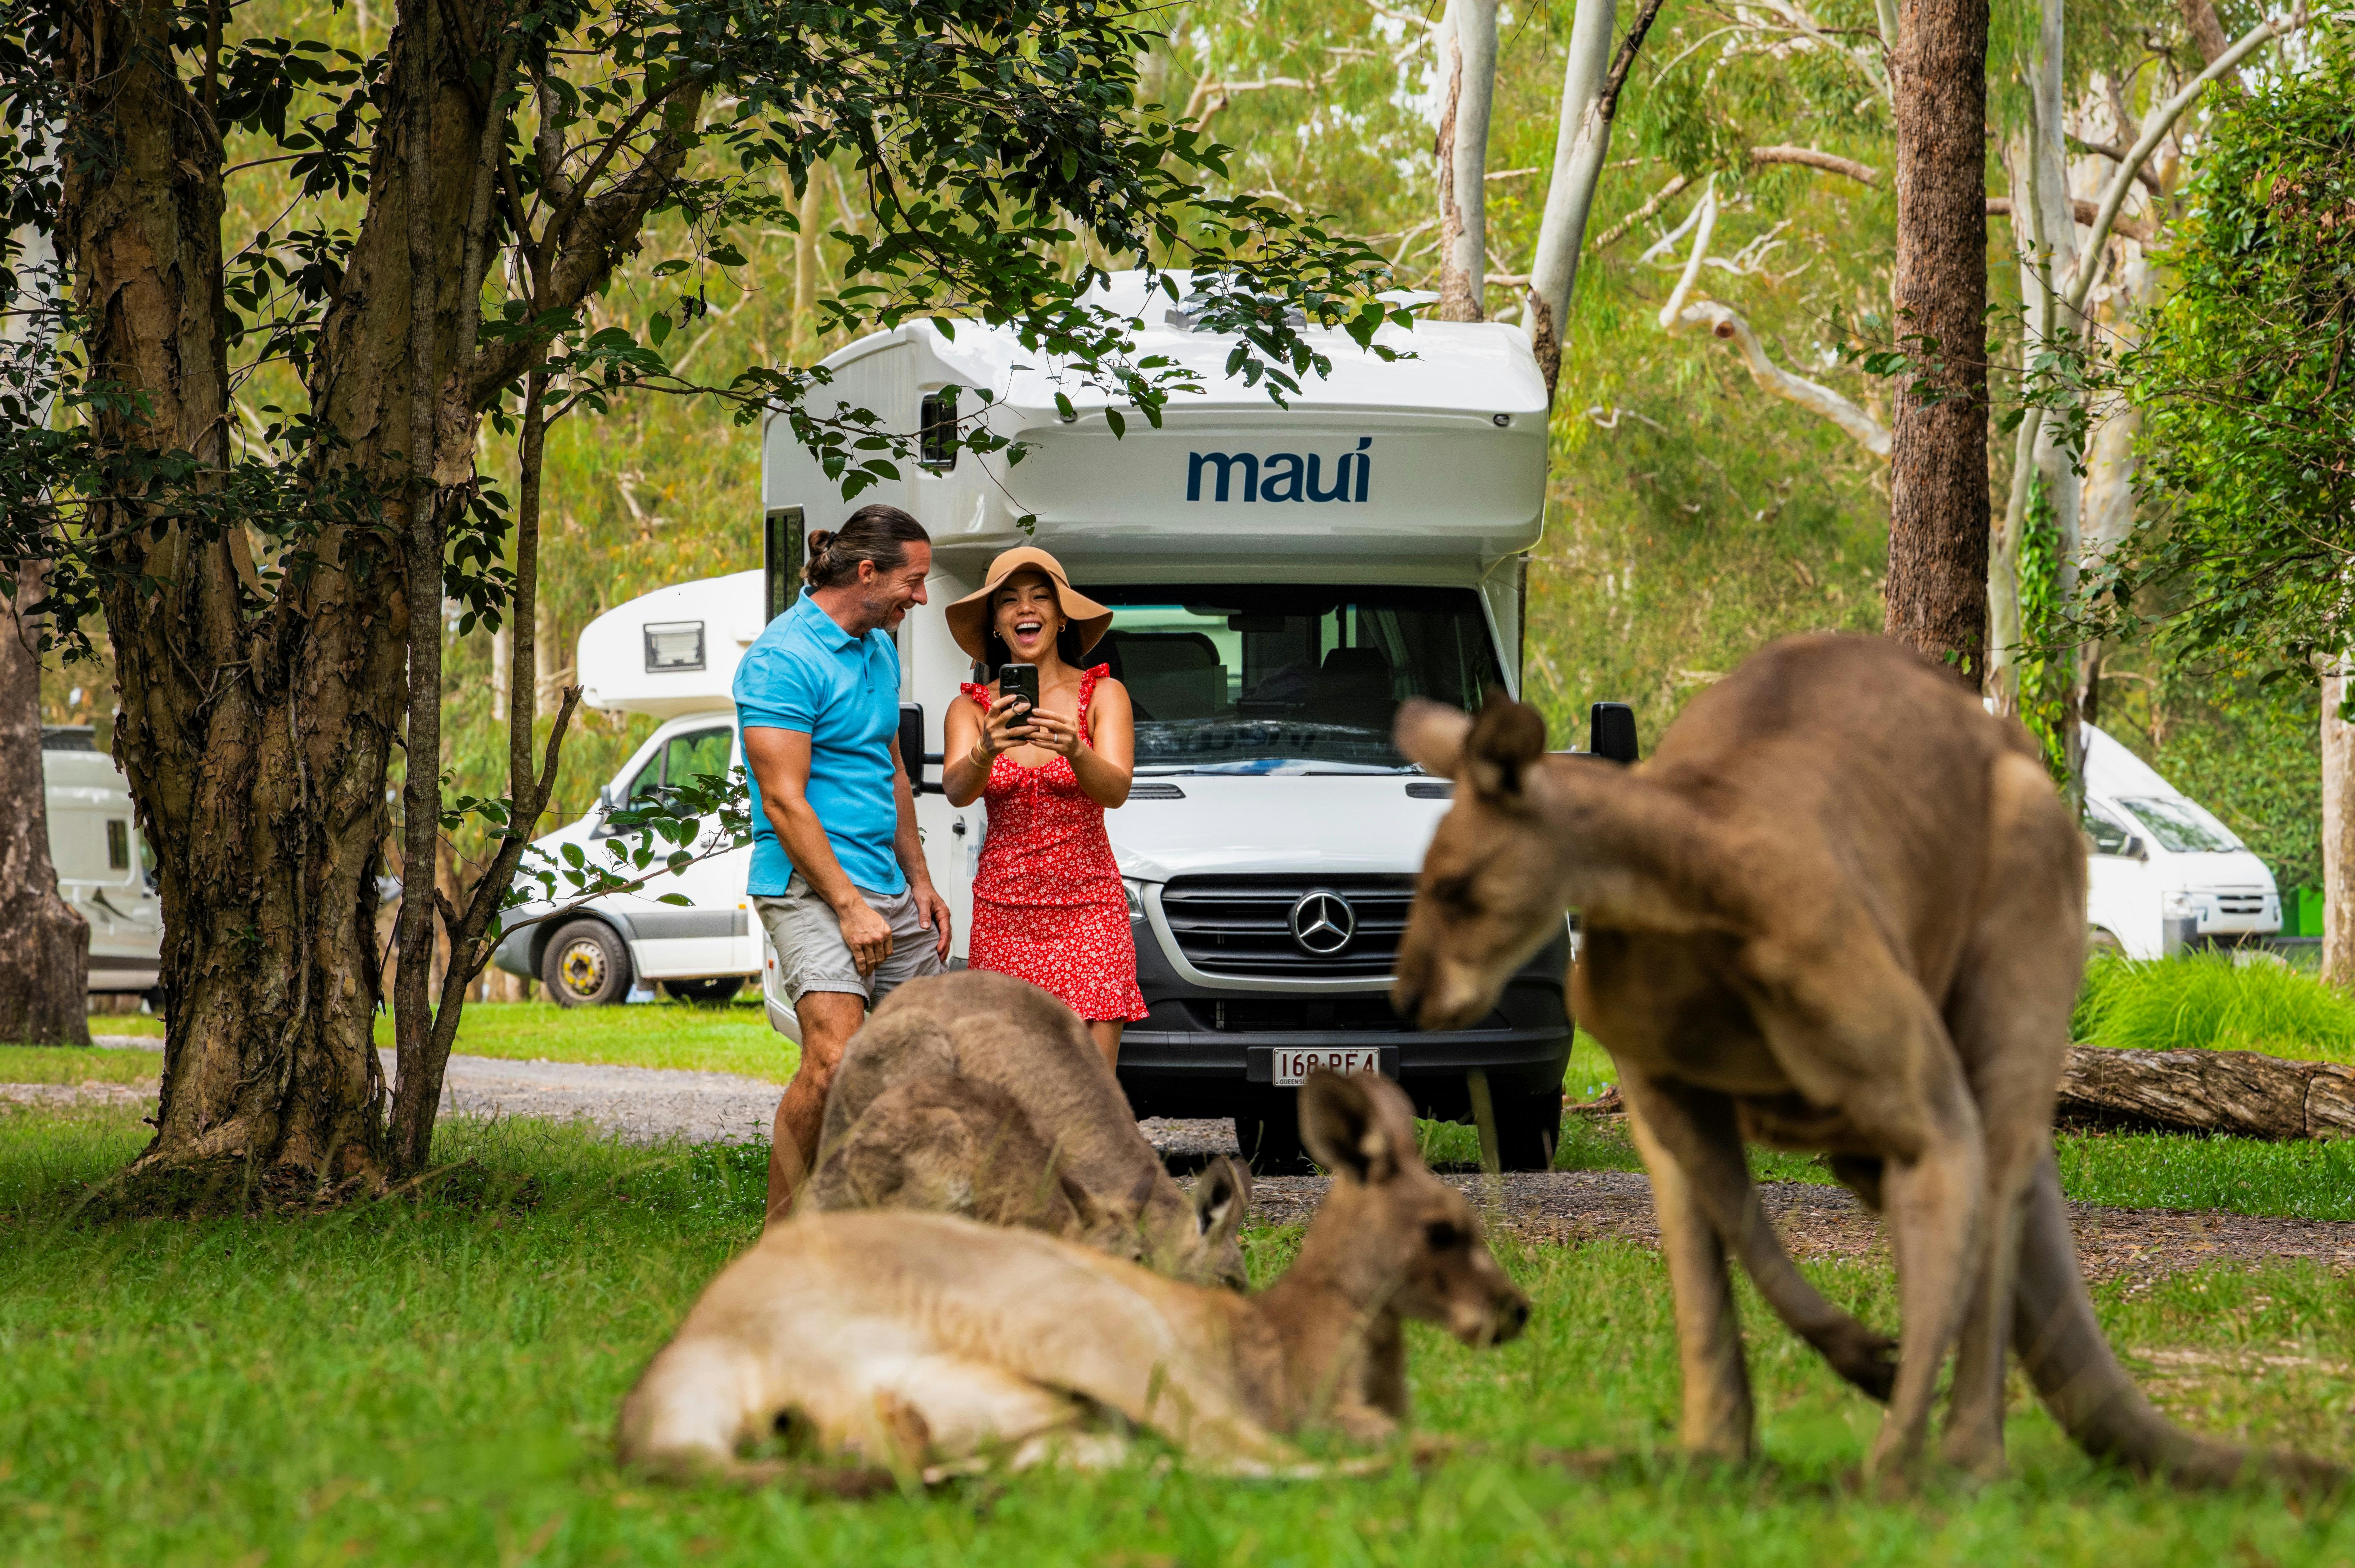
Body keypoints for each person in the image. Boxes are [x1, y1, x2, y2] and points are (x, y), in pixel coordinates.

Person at [736, 504, 950, 1224]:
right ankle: (782, 1242)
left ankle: (894, 1231)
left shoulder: (877, 647)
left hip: (885, 881)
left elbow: (890, 766)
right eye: (913, 582)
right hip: (808, 885)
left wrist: (919, 879)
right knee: (834, 1060)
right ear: (868, 572)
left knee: (930, 1062)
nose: (919, 598)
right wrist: (850, 905)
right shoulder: (781, 658)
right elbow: (784, 801)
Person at [941, 546, 1145, 1068]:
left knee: (1088, 1093)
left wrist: (1077, 750)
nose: (1024, 609)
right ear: (996, 624)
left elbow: (1116, 790)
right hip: (1003, 913)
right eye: (1008, 601)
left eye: (1039, 598)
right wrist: (985, 748)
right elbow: (958, 790)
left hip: (1089, 911)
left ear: (1060, 617)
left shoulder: (1104, 694)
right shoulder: (970, 707)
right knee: (1008, 1084)